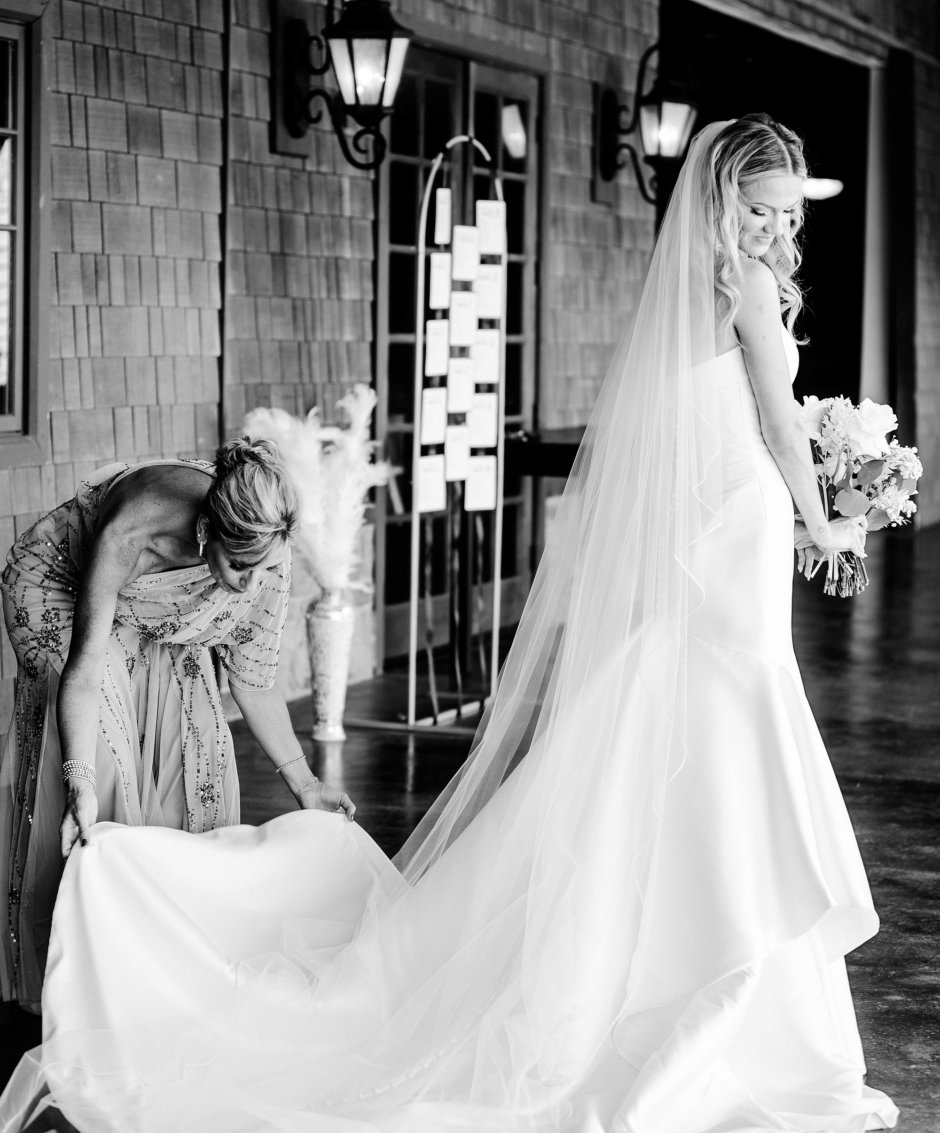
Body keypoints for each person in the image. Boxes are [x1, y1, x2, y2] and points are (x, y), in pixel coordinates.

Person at [0, 117, 899, 1133]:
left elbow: (728, 421)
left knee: (693, 713)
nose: (775, 228)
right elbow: (776, 422)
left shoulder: (695, 288)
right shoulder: (753, 292)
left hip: (723, 525)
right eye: (760, 209)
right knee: (726, 712)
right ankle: (716, 949)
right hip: (741, 522)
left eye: (784, 213)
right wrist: (826, 519)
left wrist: (814, 489)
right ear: (723, 201)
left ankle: (680, 943)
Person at [0, 439, 354, 1012]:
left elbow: (253, 678)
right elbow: (85, 668)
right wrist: (79, 778)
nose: (250, 585)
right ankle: (98, 982)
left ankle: (173, 962)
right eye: (239, 568)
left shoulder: (265, 541)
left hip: (159, 613)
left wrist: (307, 785)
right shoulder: (132, 529)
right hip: (59, 586)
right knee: (104, 774)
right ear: (206, 532)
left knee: (195, 750)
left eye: (263, 569)